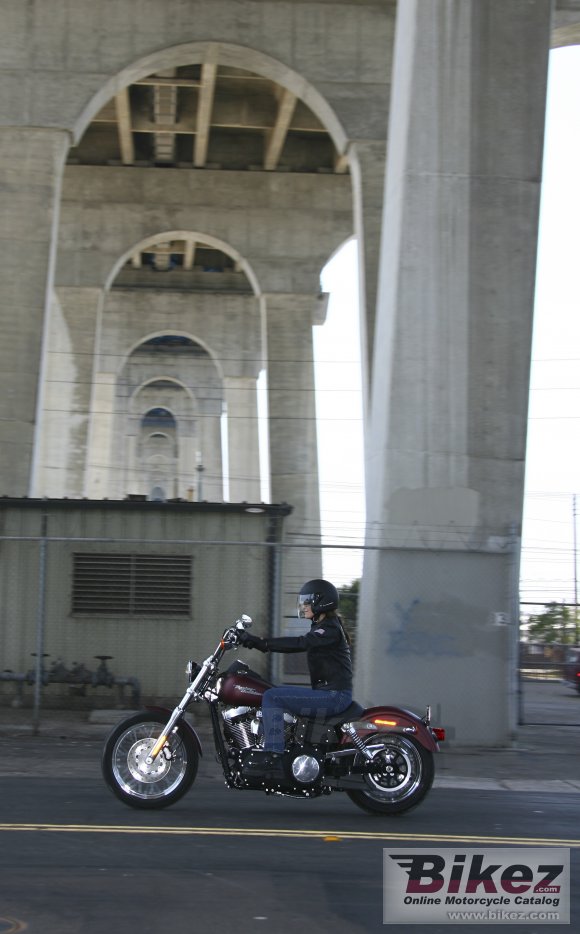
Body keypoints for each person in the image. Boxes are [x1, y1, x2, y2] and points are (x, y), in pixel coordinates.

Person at [239, 578, 353, 772]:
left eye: (308, 601)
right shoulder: (325, 626)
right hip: (329, 693)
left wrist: (260, 643)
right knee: (271, 691)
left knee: (272, 697)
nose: (304, 605)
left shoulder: (329, 629)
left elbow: (301, 643)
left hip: (334, 696)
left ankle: (274, 756)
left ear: (321, 602)